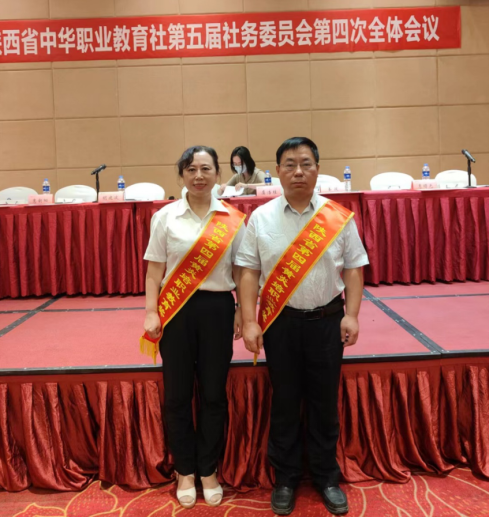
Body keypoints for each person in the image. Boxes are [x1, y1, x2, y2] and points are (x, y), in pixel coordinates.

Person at [235, 137, 368, 515]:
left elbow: (353, 268)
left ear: (317, 169)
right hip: (281, 324)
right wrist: (249, 320)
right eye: (290, 164)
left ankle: (327, 477)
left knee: (324, 403)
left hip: (327, 323)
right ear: (277, 171)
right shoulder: (260, 218)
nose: (298, 171)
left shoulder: (337, 216)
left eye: (306, 164)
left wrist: (352, 314)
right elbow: (249, 272)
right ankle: (286, 478)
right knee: (285, 401)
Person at [142, 146, 246, 509]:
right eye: (191, 169)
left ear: (217, 173)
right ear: (182, 175)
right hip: (175, 311)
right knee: (177, 395)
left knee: (214, 394)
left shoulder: (233, 218)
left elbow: (241, 271)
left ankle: (208, 469)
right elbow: (154, 270)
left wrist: (242, 311)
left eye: (205, 168)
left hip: (218, 309)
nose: (198, 176)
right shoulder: (165, 217)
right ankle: (185, 470)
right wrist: (151, 312)